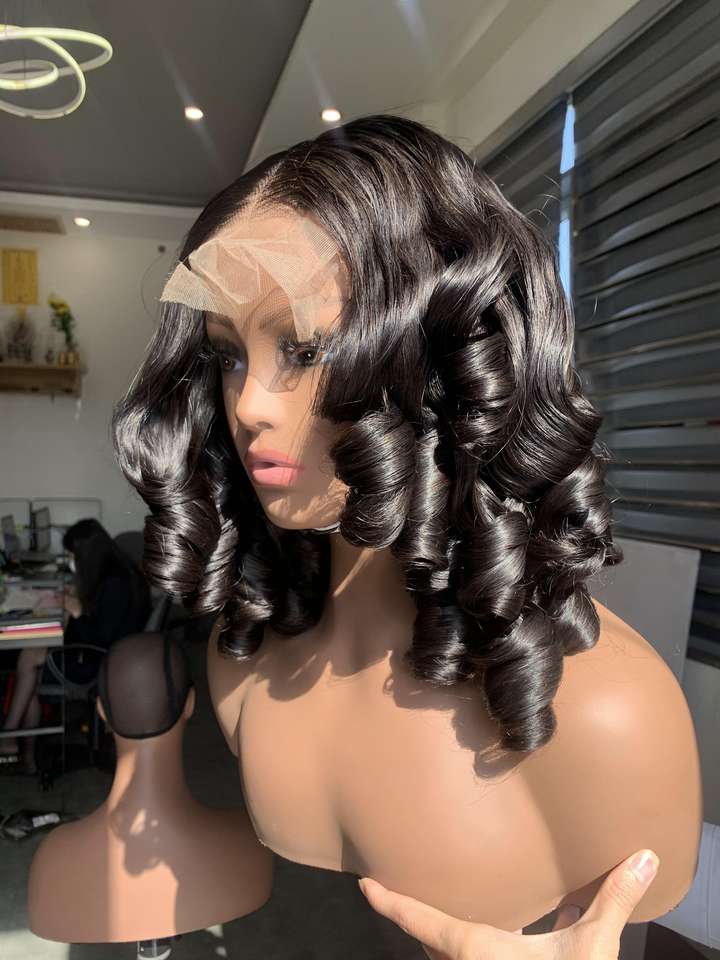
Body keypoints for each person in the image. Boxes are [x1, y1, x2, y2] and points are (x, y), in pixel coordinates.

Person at [109, 114, 701, 941]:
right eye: (230, 355)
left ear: (446, 352)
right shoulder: (243, 666)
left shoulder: (609, 715)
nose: (248, 405)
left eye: (304, 349)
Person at [0, 518, 151, 772]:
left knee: (29, 661)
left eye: (73, 555)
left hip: (99, 660)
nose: (71, 560)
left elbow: (99, 637)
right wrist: (77, 603)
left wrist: (76, 611)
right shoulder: (116, 571)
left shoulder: (115, 584)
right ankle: (21, 749)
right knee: (31, 664)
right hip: (110, 654)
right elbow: (102, 618)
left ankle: (13, 740)